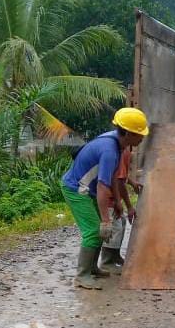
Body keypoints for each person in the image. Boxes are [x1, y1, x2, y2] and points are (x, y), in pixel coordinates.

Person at [61, 108, 149, 290]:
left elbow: (114, 177)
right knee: (95, 229)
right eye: (139, 135)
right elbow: (102, 186)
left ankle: (92, 268)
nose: (142, 138)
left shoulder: (117, 143)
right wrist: (106, 219)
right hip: (76, 189)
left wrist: (117, 203)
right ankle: (82, 275)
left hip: (87, 189)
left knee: (102, 228)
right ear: (129, 133)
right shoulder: (109, 150)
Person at [99, 147, 143, 274]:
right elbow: (119, 182)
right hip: (107, 195)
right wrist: (128, 206)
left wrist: (132, 182)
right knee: (115, 227)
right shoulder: (122, 151)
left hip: (111, 194)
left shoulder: (124, 150)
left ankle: (115, 255)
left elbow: (121, 175)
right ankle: (107, 262)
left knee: (122, 222)